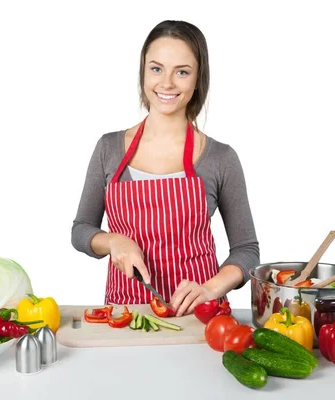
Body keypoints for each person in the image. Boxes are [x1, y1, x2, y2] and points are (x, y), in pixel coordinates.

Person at [71, 20, 259, 316]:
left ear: (198, 79)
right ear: (143, 73)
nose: (167, 83)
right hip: (127, 315)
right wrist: (113, 241)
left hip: (202, 317)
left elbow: (247, 251)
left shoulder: (221, 158)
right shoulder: (108, 148)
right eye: (156, 69)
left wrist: (211, 288)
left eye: (182, 72)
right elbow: (81, 230)